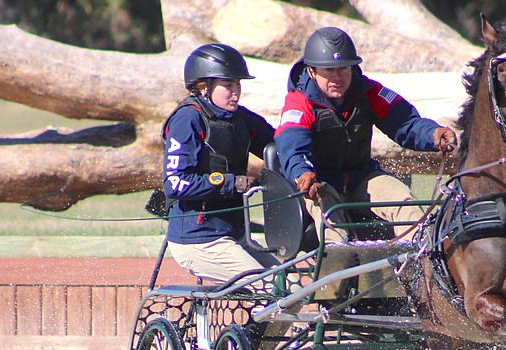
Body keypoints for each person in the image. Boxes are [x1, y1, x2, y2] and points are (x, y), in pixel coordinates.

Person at [274, 27, 457, 242]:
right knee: (334, 229)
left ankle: (420, 265)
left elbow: (405, 122)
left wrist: (433, 133)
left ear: (353, 68)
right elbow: (291, 145)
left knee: (406, 205)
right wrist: (302, 173)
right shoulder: (299, 101)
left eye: (343, 69)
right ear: (312, 71)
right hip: (320, 185)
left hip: (362, 177)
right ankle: (339, 271)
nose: (337, 78)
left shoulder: (369, 92)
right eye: (328, 71)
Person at [162, 43, 277, 282]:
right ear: (204, 87)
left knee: (290, 285)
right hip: (198, 240)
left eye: (238, 84)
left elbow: (278, 144)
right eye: (228, 85)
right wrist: (230, 182)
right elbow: (175, 183)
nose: (236, 91)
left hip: (233, 235)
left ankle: (260, 322)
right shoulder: (188, 120)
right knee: (272, 290)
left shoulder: (241, 118)